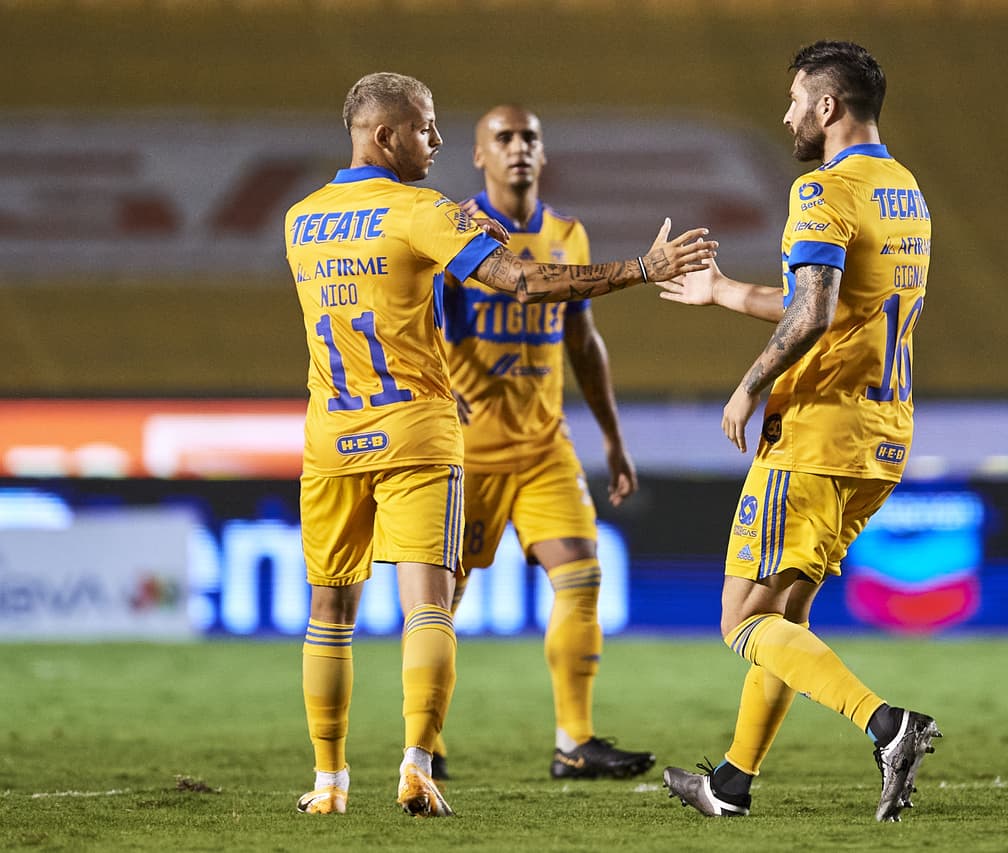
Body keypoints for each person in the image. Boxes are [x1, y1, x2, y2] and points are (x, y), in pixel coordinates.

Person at [285, 71, 714, 817]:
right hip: (422, 432)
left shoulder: (301, 219)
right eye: (425, 126)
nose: (437, 139)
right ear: (387, 137)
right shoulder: (421, 212)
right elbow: (517, 279)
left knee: (329, 613)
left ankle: (328, 782)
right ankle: (418, 765)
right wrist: (638, 269)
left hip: (332, 437)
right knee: (428, 607)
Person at [657, 41, 941, 823]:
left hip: (815, 433)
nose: (786, 114)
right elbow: (835, 307)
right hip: (881, 437)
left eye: (795, 101)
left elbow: (812, 314)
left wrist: (749, 387)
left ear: (827, 108)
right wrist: (720, 291)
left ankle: (889, 725)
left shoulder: (822, 190)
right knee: (786, 616)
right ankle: (732, 781)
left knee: (743, 620)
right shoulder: (903, 190)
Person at [433, 104, 653, 781]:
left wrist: (613, 438)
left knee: (582, 576)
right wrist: (444, 392)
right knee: (441, 598)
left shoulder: (567, 235)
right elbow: (417, 329)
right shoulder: (455, 231)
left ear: (542, 151)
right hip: (469, 450)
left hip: (545, 445)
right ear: (479, 155)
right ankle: (425, 742)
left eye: (529, 136)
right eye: (503, 137)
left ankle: (575, 740)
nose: (518, 147)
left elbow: (583, 342)